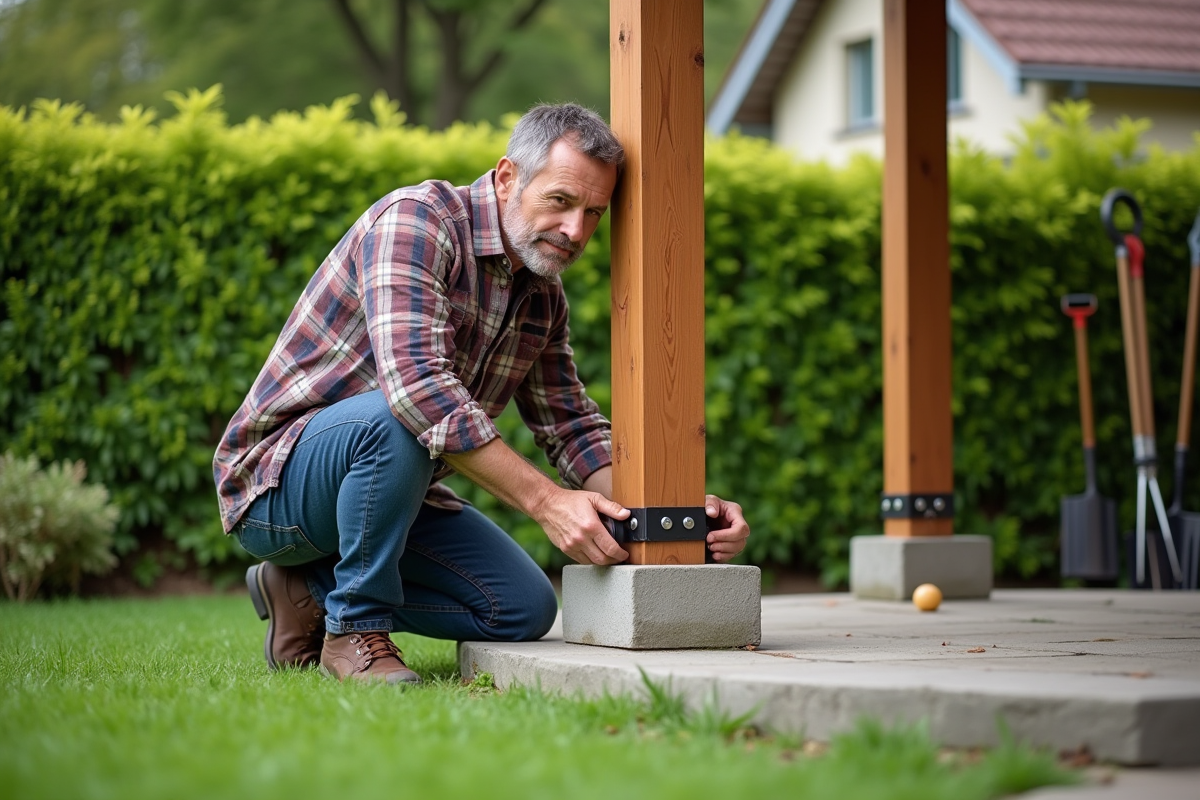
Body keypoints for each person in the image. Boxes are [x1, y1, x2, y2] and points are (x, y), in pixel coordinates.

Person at [212, 103, 750, 685]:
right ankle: (354, 631)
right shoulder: (416, 221)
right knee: (401, 417)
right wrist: (547, 503)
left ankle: (303, 586)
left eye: (595, 212)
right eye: (561, 201)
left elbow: (571, 429)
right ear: (507, 176)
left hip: (395, 496)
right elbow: (419, 390)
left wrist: (678, 514)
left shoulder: (543, 298)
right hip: (276, 486)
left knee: (520, 608)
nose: (577, 231)